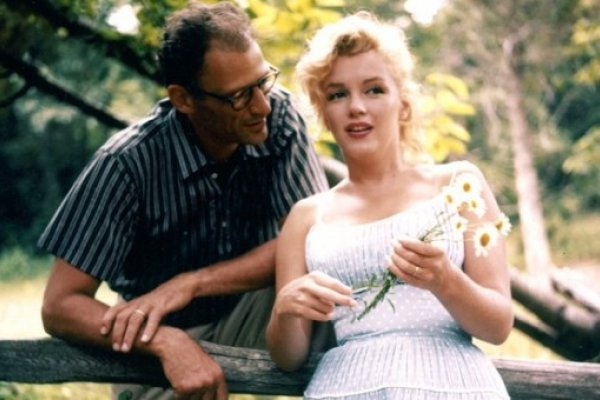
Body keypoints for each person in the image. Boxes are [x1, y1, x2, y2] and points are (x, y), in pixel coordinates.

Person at [38, 2, 329, 399]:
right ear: (183, 99)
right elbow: (60, 306)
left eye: (263, 82)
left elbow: (313, 239)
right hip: (156, 343)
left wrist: (191, 284)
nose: (262, 106)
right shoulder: (126, 162)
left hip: (259, 310)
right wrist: (165, 342)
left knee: (336, 277)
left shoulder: (278, 115)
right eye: (239, 96)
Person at [266, 12, 514, 399]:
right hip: (344, 389)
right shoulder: (306, 218)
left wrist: (446, 281)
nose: (356, 107)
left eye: (374, 90)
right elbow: (289, 358)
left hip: (453, 386)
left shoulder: (460, 184)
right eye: (337, 94)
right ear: (324, 113)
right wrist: (285, 310)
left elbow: (498, 326)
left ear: (403, 102)